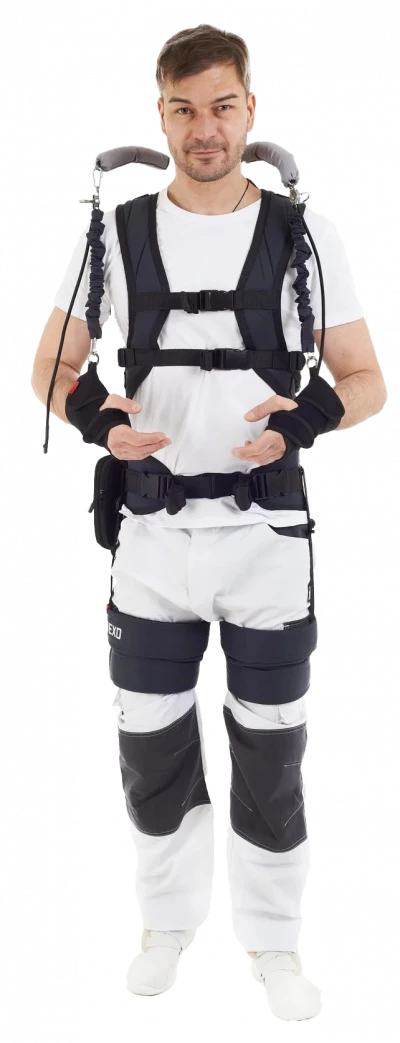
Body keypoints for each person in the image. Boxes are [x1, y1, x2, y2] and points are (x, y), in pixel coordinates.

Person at [29, 22, 388, 1023]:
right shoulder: (111, 234)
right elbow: (49, 365)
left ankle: (274, 943)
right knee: (150, 743)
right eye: (184, 109)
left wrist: (305, 420)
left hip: (264, 539)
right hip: (151, 539)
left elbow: (366, 379)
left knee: (271, 747)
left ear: (250, 111)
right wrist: (96, 417)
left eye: (222, 107)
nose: (204, 128)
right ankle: (165, 926)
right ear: (161, 115)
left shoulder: (306, 235)